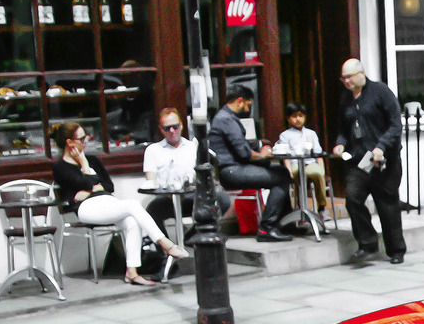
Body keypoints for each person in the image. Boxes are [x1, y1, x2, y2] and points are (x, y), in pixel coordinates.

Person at [50, 121, 184, 286]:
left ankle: (132, 272)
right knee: (132, 205)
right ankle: (165, 244)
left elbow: (108, 185)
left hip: (106, 202)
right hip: (85, 209)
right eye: (82, 138)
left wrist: (91, 188)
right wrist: (85, 166)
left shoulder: (93, 159)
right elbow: (87, 183)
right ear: (70, 143)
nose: (86, 141)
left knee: (131, 221)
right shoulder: (60, 167)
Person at [333, 58, 406, 266]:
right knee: (353, 198)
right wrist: (340, 143)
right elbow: (343, 129)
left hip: (384, 160)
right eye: (343, 78)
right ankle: (367, 243)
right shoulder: (346, 98)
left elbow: (395, 125)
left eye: (349, 77)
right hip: (359, 160)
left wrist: (381, 146)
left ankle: (396, 250)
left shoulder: (381, 92)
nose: (346, 81)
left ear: (361, 74)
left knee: (387, 204)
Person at [208, 91, 293, 242]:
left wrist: (259, 146)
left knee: (281, 172)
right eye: (248, 104)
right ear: (240, 101)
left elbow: (240, 146)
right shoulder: (227, 119)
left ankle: (285, 223)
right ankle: (267, 228)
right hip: (232, 171)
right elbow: (244, 153)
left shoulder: (224, 117)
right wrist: (264, 155)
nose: (249, 108)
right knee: (282, 178)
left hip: (233, 168)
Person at [141, 106, 231, 235]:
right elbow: (151, 181)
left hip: (192, 197)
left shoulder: (193, 146)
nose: (172, 131)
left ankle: (191, 236)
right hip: (168, 198)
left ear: (182, 125)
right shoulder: (153, 150)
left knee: (222, 199)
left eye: (175, 126)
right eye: (167, 128)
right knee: (153, 209)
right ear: (161, 129)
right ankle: (165, 249)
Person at [275, 102, 330, 225]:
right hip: (295, 164)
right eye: (294, 116)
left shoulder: (311, 133)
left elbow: (318, 153)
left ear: (305, 117)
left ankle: (322, 208)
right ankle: (301, 209)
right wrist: (288, 171)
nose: (298, 119)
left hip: (310, 163)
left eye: (300, 115)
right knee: (299, 174)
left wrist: (322, 170)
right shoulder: (285, 135)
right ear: (288, 118)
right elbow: (285, 156)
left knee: (317, 172)